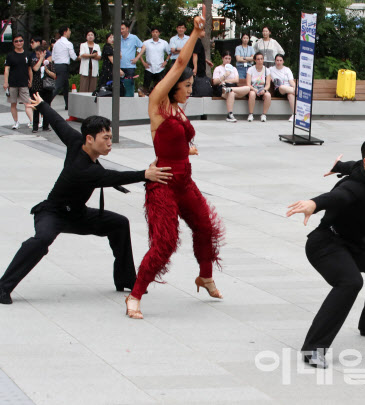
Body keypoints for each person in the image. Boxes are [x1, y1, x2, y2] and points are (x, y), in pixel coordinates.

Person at [0, 92, 172, 306]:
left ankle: (126, 280)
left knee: (119, 224)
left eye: (110, 137)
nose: (110, 143)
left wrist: (43, 105)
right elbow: (112, 177)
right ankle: (3, 287)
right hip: (52, 213)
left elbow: (58, 123)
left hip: (78, 214)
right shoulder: (83, 169)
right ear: (90, 139)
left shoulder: (75, 141)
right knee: (42, 240)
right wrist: (144, 174)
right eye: (106, 138)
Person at [126, 11, 225, 319]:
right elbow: (180, 64)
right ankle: (135, 295)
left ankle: (205, 275)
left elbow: (177, 142)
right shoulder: (158, 104)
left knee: (205, 226)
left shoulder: (180, 111)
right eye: (187, 86)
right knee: (165, 242)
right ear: (173, 86)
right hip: (163, 184)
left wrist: (186, 151)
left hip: (185, 182)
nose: (190, 89)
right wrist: (196, 33)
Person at [286, 136, 365, 369]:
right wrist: (314, 204)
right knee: (350, 282)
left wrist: (337, 167)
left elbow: (351, 165)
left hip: (354, 243)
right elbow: (338, 196)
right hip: (326, 244)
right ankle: (314, 348)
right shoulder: (355, 187)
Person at [4, 34, 34, 130]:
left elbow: (30, 69)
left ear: (23, 41)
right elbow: (6, 70)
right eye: (16, 41)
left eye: (20, 40)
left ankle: (32, 121)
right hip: (12, 83)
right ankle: (16, 122)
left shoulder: (27, 55)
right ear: (13, 43)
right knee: (13, 103)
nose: (19, 43)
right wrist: (5, 82)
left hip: (24, 83)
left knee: (27, 103)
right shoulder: (10, 56)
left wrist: (31, 80)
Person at [212, 51, 250, 122]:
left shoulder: (234, 69)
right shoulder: (218, 68)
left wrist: (225, 80)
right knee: (231, 93)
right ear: (222, 58)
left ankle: (230, 89)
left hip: (233, 87)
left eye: (229, 59)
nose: (227, 60)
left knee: (248, 88)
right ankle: (230, 114)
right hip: (223, 89)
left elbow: (237, 80)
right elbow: (215, 82)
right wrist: (225, 75)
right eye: (226, 58)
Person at [29, 46, 56, 133]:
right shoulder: (34, 61)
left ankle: (46, 126)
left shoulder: (49, 63)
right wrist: (40, 59)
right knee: (36, 107)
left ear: (44, 53)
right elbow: (35, 69)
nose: (38, 55)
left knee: (47, 106)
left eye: (39, 54)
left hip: (47, 87)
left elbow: (54, 75)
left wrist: (47, 70)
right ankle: (35, 126)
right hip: (37, 87)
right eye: (37, 54)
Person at [137, 27, 170, 96]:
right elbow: (138, 52)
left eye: (156, 32)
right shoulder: (146, 43)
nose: (155, 34)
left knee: (160, 88)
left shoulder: (164, 43)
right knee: (145, 87)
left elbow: (170, 53)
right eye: (153, 32)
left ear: (159, 33)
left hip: (160, 68)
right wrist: (143, 62)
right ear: (151, 33)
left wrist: (166, 61)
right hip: (149, 68)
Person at [51, 26, 78, 110]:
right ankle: (46, 101)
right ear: (65, 32)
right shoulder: (68, 43)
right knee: (58, 86)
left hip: (57, 65)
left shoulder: (56, 43)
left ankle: (67, 105)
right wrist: (79, 57)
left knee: (65, 86)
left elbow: (53, 57)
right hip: (64, 66)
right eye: (69, 30)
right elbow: (73, 57)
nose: (70, 32)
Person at [268, 54, 296, 122]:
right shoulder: (270, 69)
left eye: (280, 60)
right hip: (279, 90)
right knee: (282, 87)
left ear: (283, 61)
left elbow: (291, 82)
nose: (279, 62)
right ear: (275, 61)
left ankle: (295, 114)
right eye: (277, 60)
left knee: (290, 95)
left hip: (289, 90)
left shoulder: (287, 70)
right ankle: (299, 93)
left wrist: (295, 87)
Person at [246, 52, 272, 122]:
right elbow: (248, 84)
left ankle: (264, 114)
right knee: (252, 94)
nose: (260, 61)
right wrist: (254, 89)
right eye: (258, 59)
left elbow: (268, 84)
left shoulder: (267, 70)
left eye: (261, 59)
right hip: (253, 88)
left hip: (262, 88)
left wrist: (264, 90)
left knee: (268, 95)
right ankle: (251, 114)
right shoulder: (250, 69)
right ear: (255, 60)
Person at [119, 21, 144, 91]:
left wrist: (137, 58)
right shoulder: (118, 38)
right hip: (120, 66)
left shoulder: (134, 38)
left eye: (123, 29)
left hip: (130, 66)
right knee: (120, 87)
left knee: (129, 86)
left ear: (127, 28)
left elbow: (143, 47)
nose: (121, 31)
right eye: (120, 29)